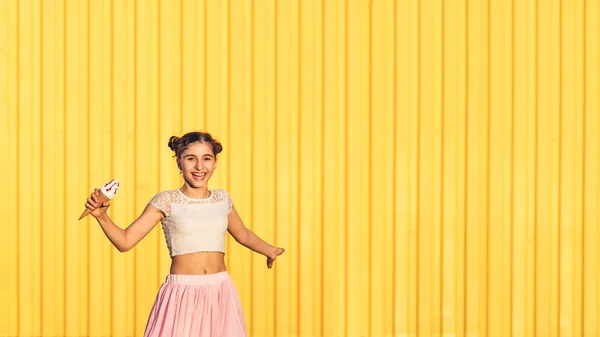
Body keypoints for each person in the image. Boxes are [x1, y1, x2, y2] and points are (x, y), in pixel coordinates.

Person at [83, 131, 285, 337]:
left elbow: (243, 234)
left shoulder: (223, 199)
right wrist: (102, 217)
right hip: (182, 294)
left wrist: (270, 250)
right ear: (179, 163)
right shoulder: (166, 200)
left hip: (221, 292)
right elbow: (125, 241)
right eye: (191, 159)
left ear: (215, 163)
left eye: (206, 159)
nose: (199, 166)